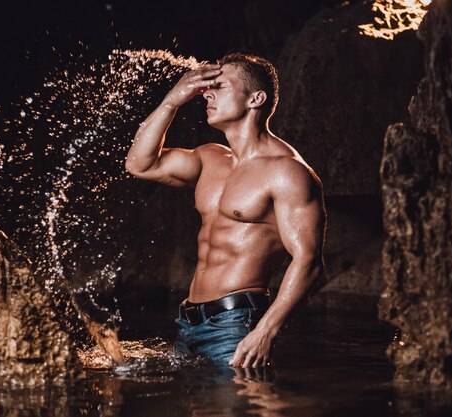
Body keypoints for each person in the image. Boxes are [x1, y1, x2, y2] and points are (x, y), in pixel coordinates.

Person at [125, 53, 326, 368]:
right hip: (188, 322)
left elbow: (310, 262)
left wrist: (265, 332)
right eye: (208, 86)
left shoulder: (287, 172)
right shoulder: (210, 158)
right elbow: (139, 164)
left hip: (237, 324)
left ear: (255, 99)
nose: (207, 93)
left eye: (219, 86)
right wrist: (171, 102)